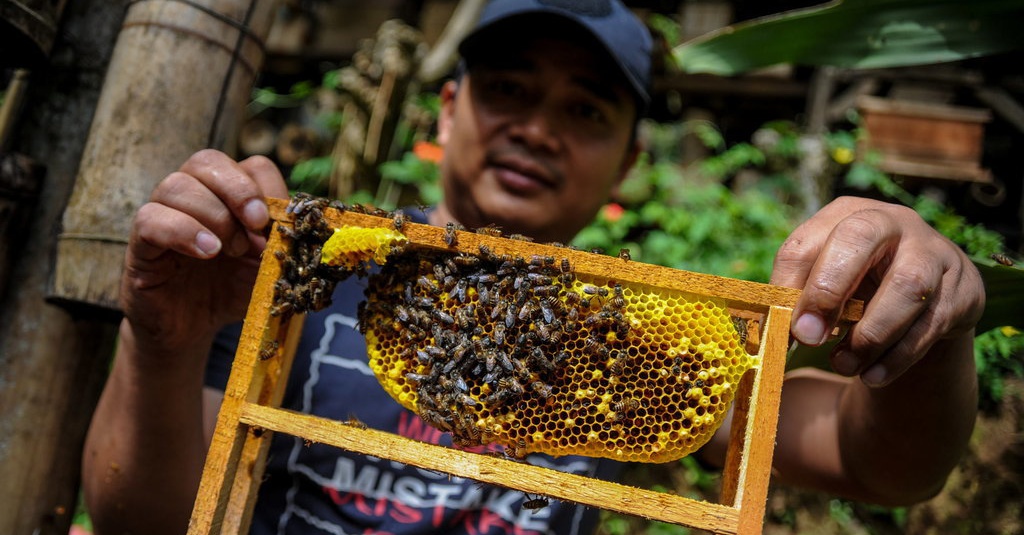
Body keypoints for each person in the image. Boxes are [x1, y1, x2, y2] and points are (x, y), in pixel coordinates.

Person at [81, 0, 985, 534]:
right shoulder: (299, 277)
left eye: (585, 110)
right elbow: (143, 523)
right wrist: (160, 342)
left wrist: (935, 329)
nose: (538, 128)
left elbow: (881, 462)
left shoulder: (638, 337)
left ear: (629, 161)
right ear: (447, 110)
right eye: (508, 89)